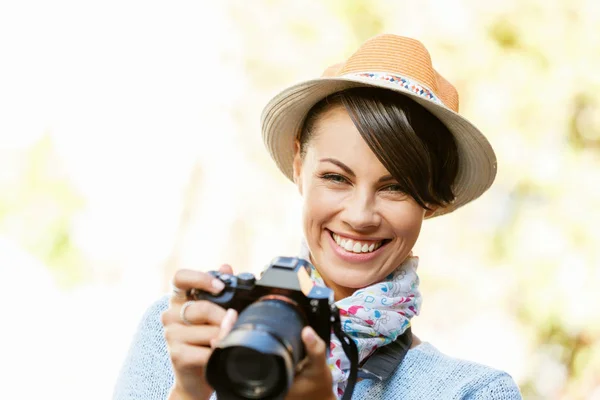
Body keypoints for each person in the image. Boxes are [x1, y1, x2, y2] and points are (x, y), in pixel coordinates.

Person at [114, 34, 522, 399]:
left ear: (430, 200)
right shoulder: (182, 333)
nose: (361, 216)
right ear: (298, 165)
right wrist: (188, 391)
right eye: (335, 177)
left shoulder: (471, 392)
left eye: (395, 187)